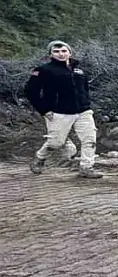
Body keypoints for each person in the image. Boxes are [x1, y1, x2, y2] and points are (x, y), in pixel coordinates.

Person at [24, 41, 103, 178]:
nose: (61, 54)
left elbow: (85, 88)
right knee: (56, 143)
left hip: (83, 111)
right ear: (50, 54)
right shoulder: (43, 70)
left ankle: (86, 167)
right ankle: (40, 157)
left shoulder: (79, 70)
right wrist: (44, 109)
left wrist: (86, 103)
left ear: (69, 52)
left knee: (90, 140)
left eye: (64, 51)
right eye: (56, 51)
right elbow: (31, 91)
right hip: (59, 112)